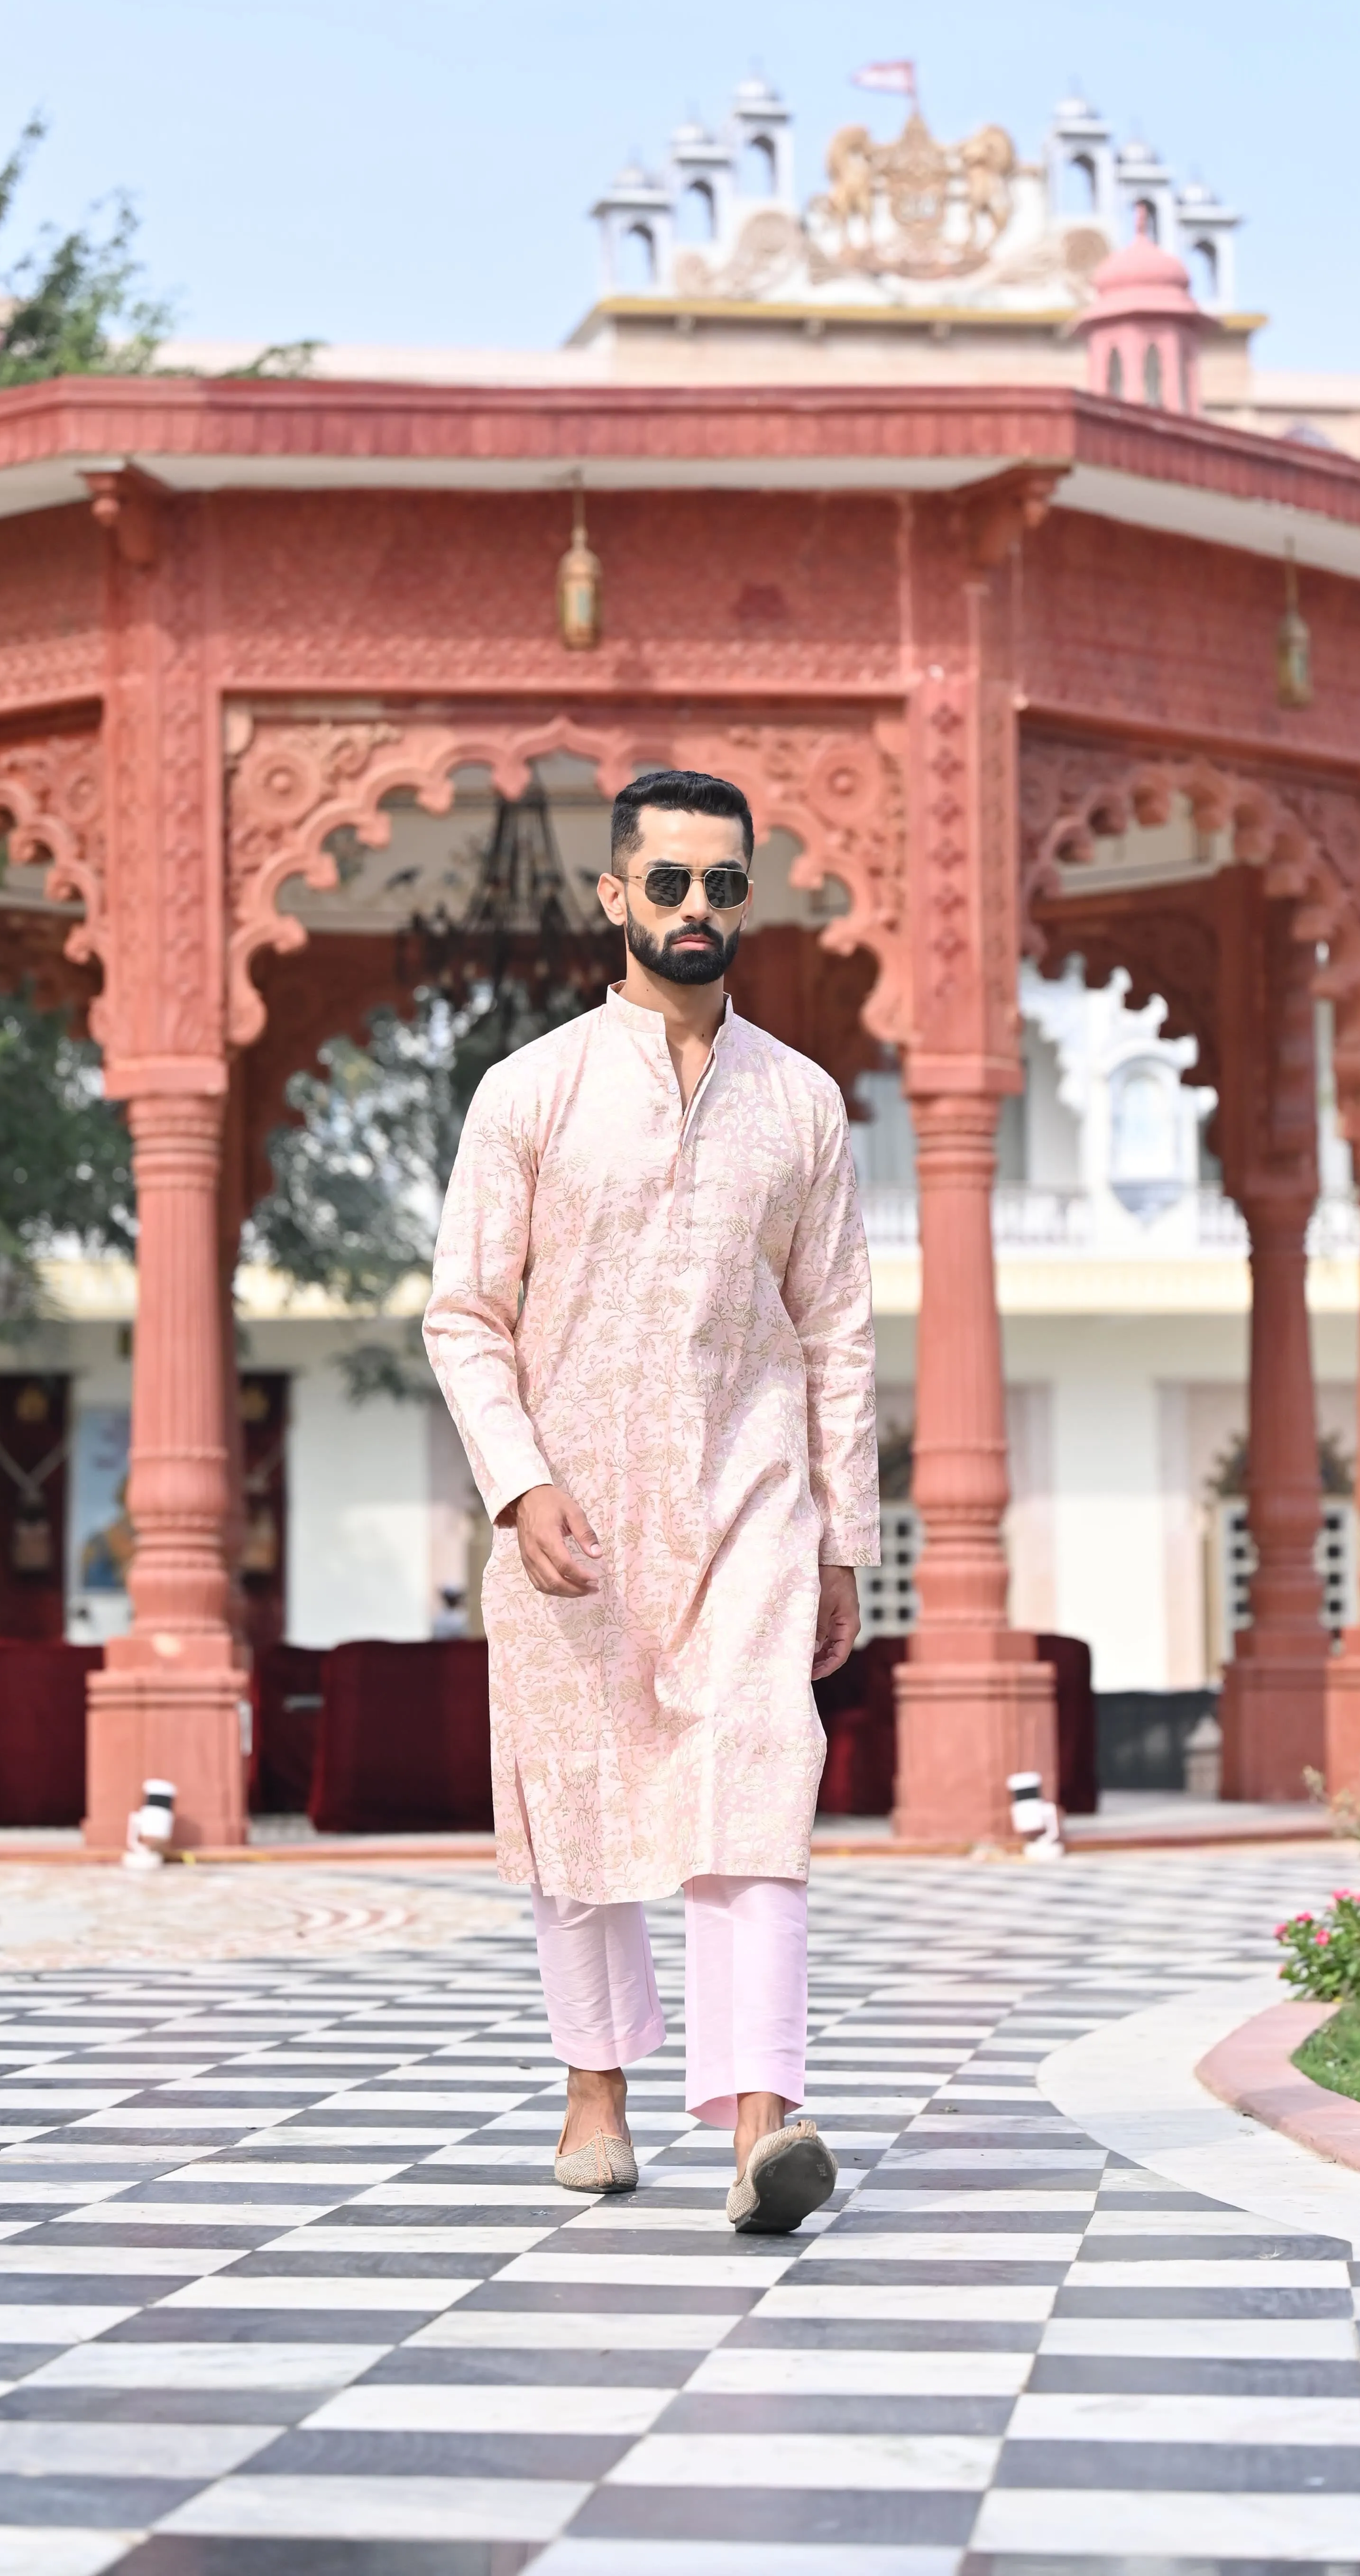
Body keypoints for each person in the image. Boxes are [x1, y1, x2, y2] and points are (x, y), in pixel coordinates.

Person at [423, 767, 879, 2232]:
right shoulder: (533, 1091)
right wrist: (519, 1483)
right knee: (584, 1793)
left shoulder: (802, 1103)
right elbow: (464, 1315)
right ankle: (596, 2088)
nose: (698, 908)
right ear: (614, 897)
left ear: (751, 896)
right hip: (575, 1516)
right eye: (670, 882)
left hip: (752, 1499)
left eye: (724, 883)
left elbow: (840, 1330)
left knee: (759, 1770)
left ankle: (764, 2124)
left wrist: (846, 1542)